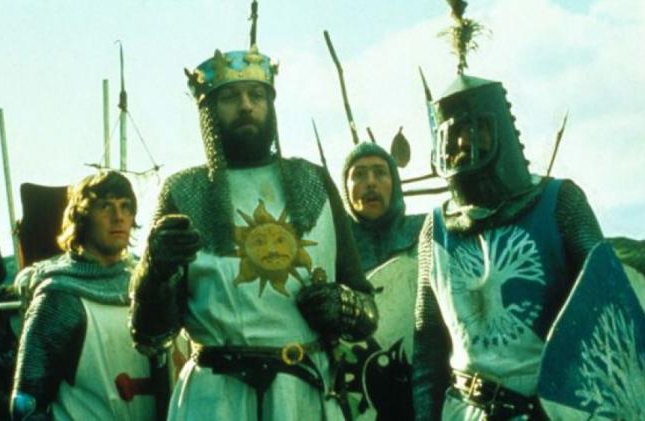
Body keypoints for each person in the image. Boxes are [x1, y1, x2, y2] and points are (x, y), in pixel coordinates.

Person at [129, 44, 378, 421]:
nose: (245, 105)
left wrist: (342, 307)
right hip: (215, 402)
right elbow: (151, 339)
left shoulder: (313, 181)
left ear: (271, 104)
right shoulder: (184, 192)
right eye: (230, 97)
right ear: (208, 110)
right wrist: (154, 273)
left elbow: (367, 309)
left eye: (256, 95)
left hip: (304, 396)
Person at [411, 70, 606, 420]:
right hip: (463, 411)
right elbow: (428, 346)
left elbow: (606, 316)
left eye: (474, 129)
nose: (462, 143)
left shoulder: (559, 203)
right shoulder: (436, 228)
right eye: (453, 133)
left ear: (499, 128)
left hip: (549, 410)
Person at [10, 171, 163, 420]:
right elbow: (27, 403)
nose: (118, 216)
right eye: (106, 206)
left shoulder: (144, 290)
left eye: (125, 206)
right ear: (82, 218)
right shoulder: (60, 297)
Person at [339, 142, 424, 420]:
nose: (371, 182)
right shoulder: (331, 248)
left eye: (380, 172)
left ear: (394, 182)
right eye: (359, 174)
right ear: (345, 188)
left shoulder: (427, 233)